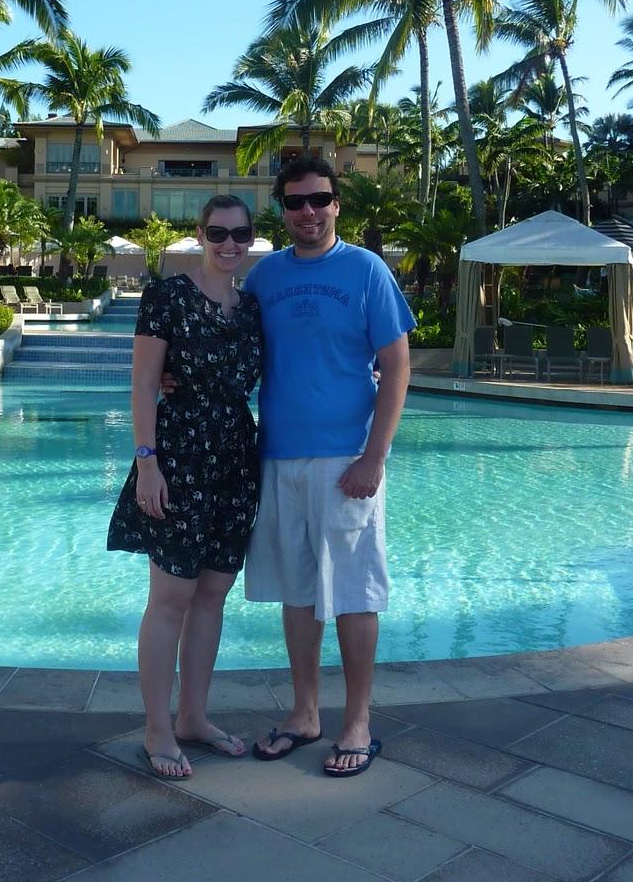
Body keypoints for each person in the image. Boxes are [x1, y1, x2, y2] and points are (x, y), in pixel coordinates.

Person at [242, 157, 414, 778]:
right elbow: (232, 351)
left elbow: (396, 366)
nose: (307, 212)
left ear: (337, 203)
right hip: (278, 455)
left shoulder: (367, 271)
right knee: (296, 590)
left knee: (353, 591)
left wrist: (375, 455)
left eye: (319, 199)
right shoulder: (263, 278)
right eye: (294, 202)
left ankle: (359, 722)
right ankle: (305, 713)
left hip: (347, 459)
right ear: (282, 211)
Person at [106, 195, 263, 779]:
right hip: (178, 457)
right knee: (170, 599)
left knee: (213, 597)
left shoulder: (252, 308)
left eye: (240, 235)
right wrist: (146, 462)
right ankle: (156, 728)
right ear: (200, 235)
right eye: (218, 233)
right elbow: (144, 384)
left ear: (251, 238)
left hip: (236, 460)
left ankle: (194, 717)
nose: (229, 245)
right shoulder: (165, 297)